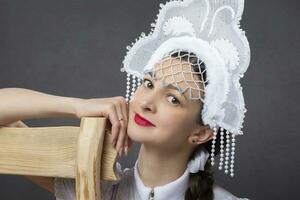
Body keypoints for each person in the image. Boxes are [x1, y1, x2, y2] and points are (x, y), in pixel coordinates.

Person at [0, 0, 251, 199]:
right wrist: (78, 106)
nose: (145, 103)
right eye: (148, 83)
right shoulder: (97, 189)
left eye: (173, 99)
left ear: (202, 132)